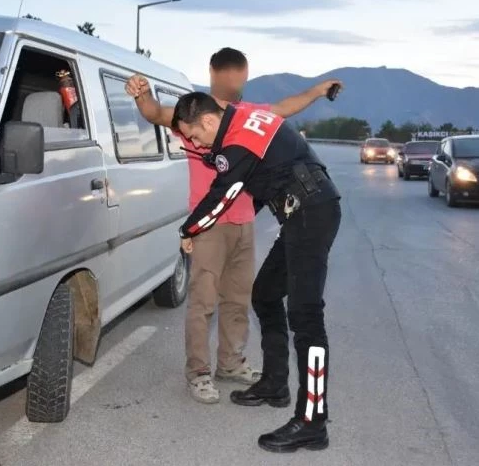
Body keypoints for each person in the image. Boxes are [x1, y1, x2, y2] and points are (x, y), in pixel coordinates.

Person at [125, 47, 342, 404]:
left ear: (244, 75)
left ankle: (243, 370)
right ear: (212, 74)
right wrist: (142, 91)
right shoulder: (191, 112)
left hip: (253, 218)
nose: (193, 143)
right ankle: (204, 373)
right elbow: (152, 112)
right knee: (215, 301)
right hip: (212, 221)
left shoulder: (248, 117)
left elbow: (285, 109)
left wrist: (317, 91)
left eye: (238, 78)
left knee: (249, 301)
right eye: (226, 77)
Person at [173, 92, 342, 453]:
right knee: (264, 294)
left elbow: (223, 194)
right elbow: (264, 178)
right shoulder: (245, 116)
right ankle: (275, 383)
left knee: (306, 317)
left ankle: (313, 421)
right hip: (303, 210)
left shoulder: (237, 140)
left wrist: (188, 230)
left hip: (311, 212)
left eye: (197, 137)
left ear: (205, 121)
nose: (199, 145)